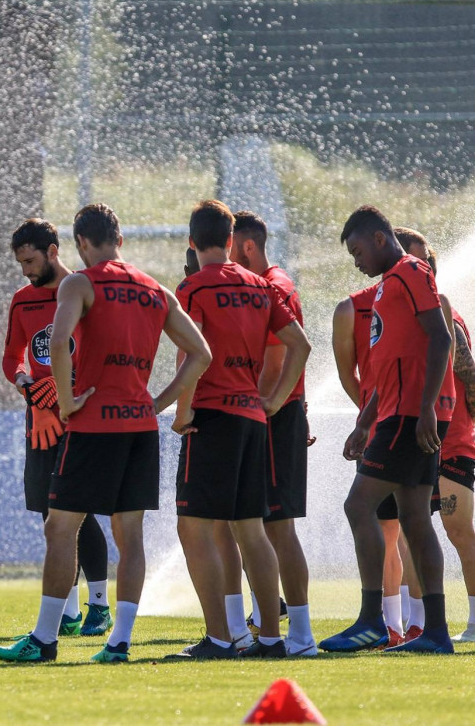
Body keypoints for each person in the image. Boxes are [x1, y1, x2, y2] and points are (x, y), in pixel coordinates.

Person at [0, 203, 211, 664]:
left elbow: (58, 342)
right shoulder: (155, 289)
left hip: (93, 425)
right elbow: (201, 353)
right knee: (130, 537)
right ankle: (119, 642)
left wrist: (67, 401)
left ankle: (44, 640)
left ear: (80, 243)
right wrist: (158, 403)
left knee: (59, 527)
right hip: (140, 427)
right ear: (120, 240)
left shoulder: (79, 283)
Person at [169, 200, 310, 660]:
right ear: (231, 241)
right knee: (251, 530)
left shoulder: (193, 287)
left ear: (193, 242)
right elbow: (300, 346)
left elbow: (192, 356)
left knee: (193, 528)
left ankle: (219, 638)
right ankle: (269, 638)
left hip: (212, 416)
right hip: (253, 419)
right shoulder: (260, 285)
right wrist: (273, 400)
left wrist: (182, 414)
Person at [322, 205, 454, 654]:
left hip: (408, 417)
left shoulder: (410, 271)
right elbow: (391, 362)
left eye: (358, 251)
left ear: (379, 239)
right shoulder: (388, 285)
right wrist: (364, 422)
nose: (357, 262)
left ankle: (371, 621)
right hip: (398, 413)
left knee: (358, 505)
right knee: (415, 520)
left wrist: (426, 409)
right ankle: (435, 632)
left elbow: (441, 337)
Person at [0, 218, 111, 637]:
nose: (26, 271)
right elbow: (12, 358)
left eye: (30, 261)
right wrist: (27, 386)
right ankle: (67, 610)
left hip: (81, 414)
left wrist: (64, 392)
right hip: (40, 416)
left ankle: (100, 606)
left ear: (53, 251)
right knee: (51, 512)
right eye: (20, 264)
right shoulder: (21, 301)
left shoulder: (85, 290)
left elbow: (102, 355)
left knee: (80, 510)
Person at [211, 211, 316, 654]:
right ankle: (263, 626)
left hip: (273, 418)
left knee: (276, 528)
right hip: (274, 415)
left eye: (231, 246)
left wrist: (264, 404)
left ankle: (300, 635)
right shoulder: (270, 284)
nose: (227, 256)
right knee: (254, 526)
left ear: (247, 246)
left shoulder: (273, 285)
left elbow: (278, 362)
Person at [394, 228, 475, 644]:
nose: (422, 268)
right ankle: (419, 625)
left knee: (457, 529)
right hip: (417, 442)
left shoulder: (444, 312)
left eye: (426, 261)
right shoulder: (401, 313)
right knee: (410, 534)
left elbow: (469, 371)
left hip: (452, 441)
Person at [331, 281, 411, 643]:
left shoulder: (425, 303)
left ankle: (413, 623)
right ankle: (394, 624)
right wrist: (369, 417)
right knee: (389, 530)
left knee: (411, 527)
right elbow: (347, 375)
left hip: (410, 429)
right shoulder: (351, 308)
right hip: (381, 431)